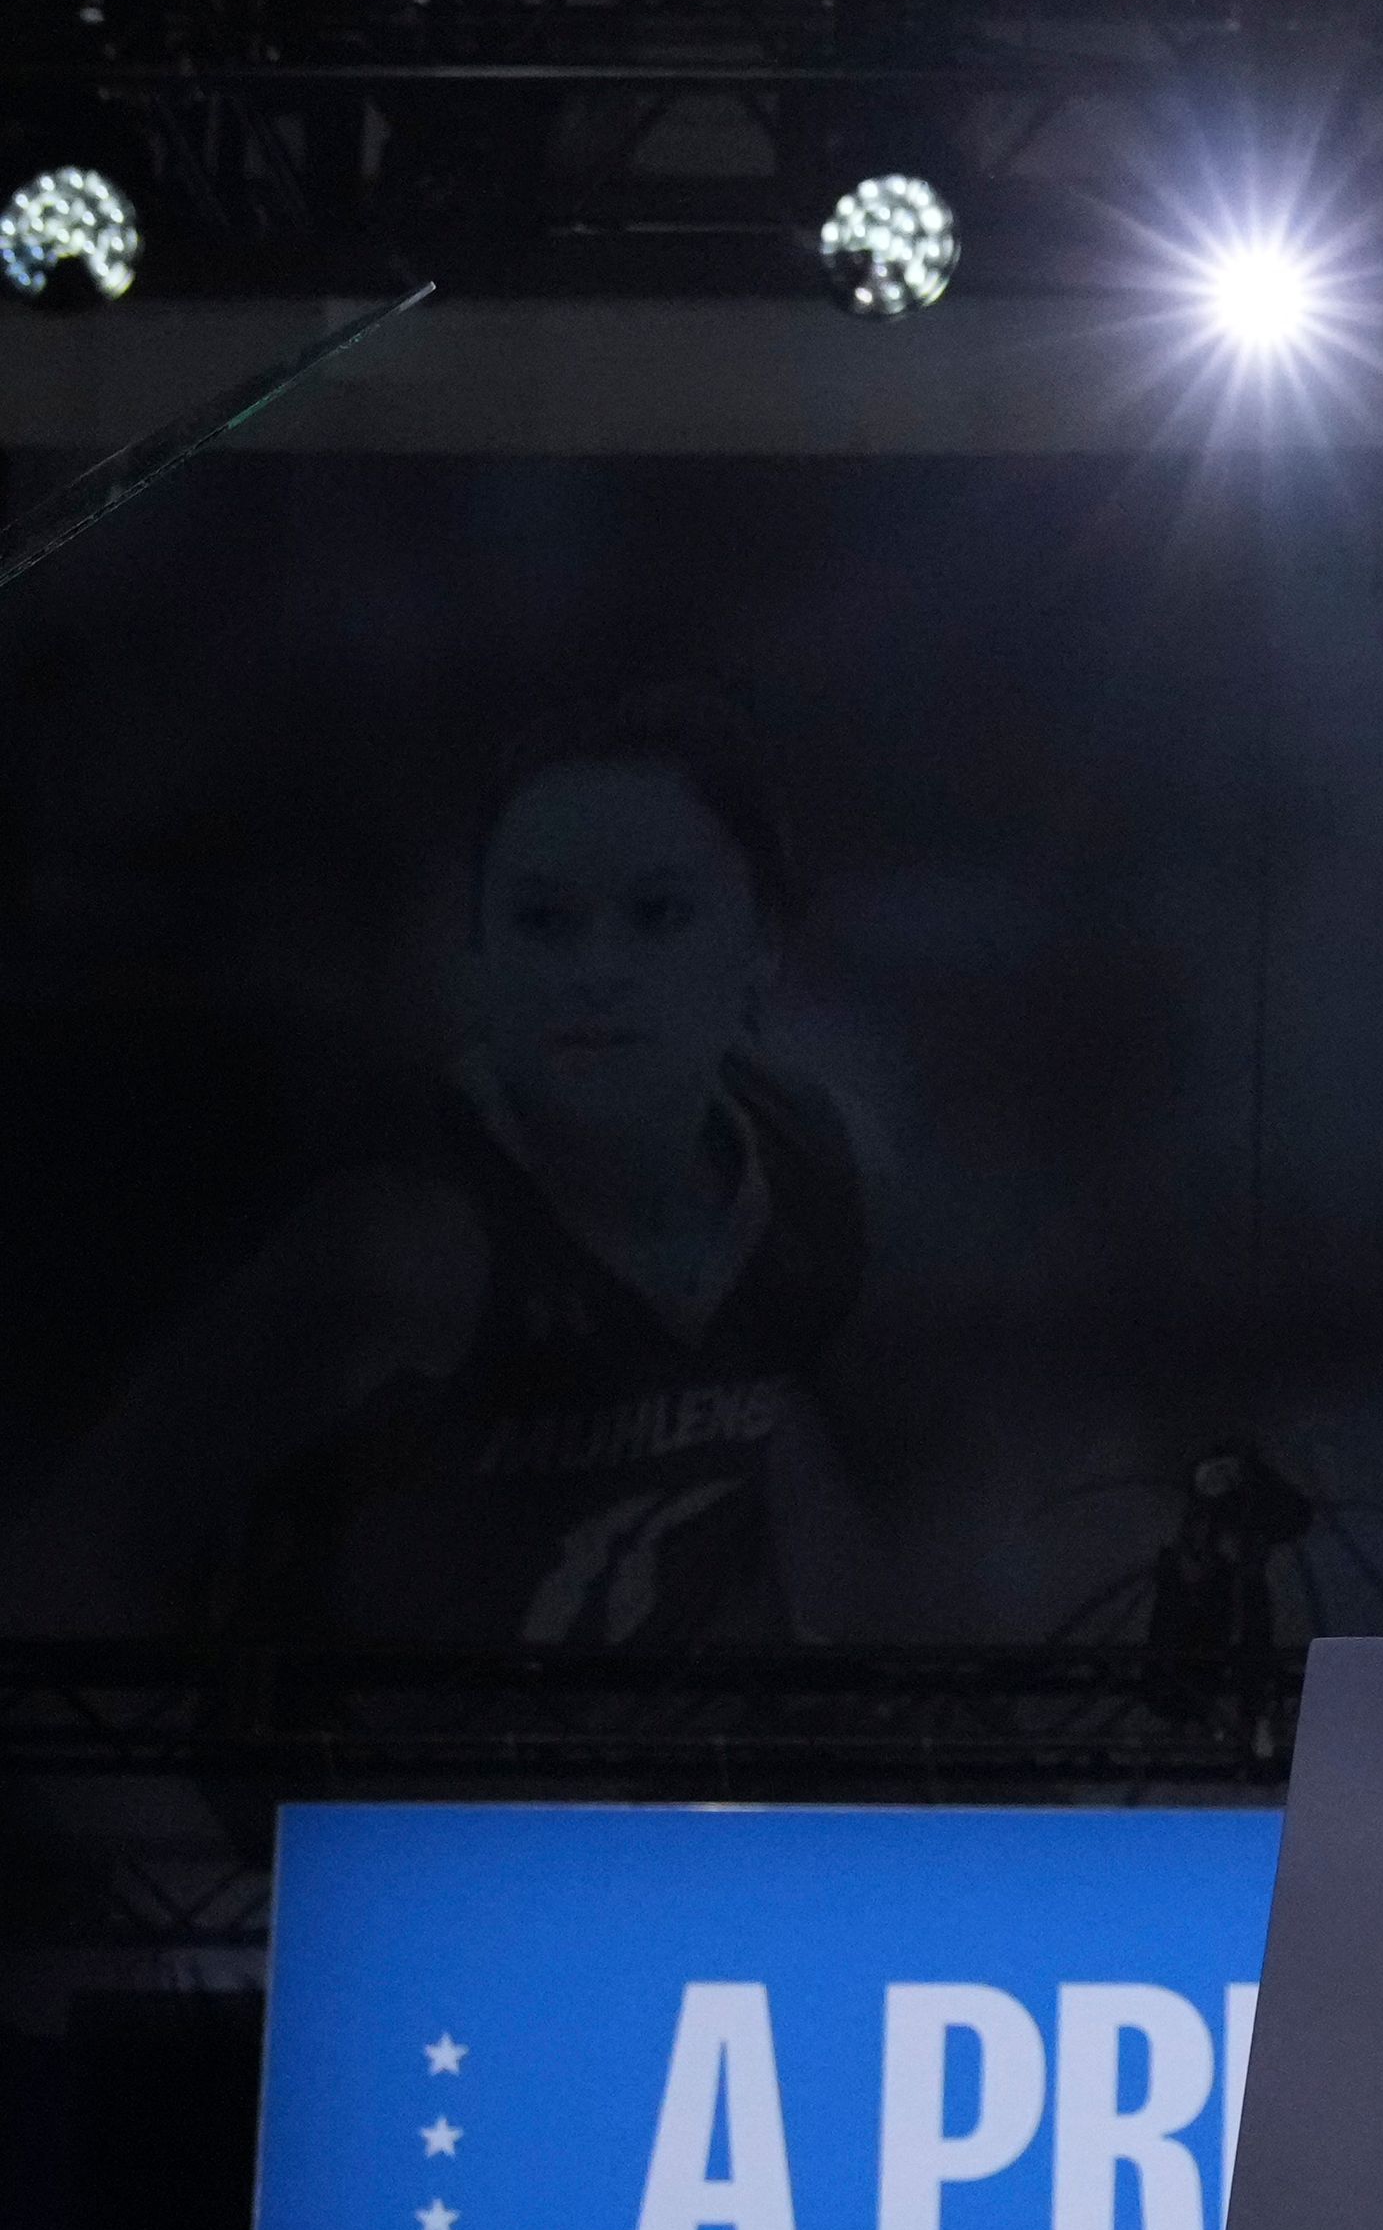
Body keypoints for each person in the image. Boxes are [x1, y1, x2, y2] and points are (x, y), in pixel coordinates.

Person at [2, 685, 874, 1643]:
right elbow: (62, 1567)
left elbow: (787, 1458)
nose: (595, 969)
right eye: (543, 920)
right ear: (480, 948)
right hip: (370, 1786)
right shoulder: (410, 1246)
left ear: (764, 946)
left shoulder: (800, 1165)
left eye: (657, 913)